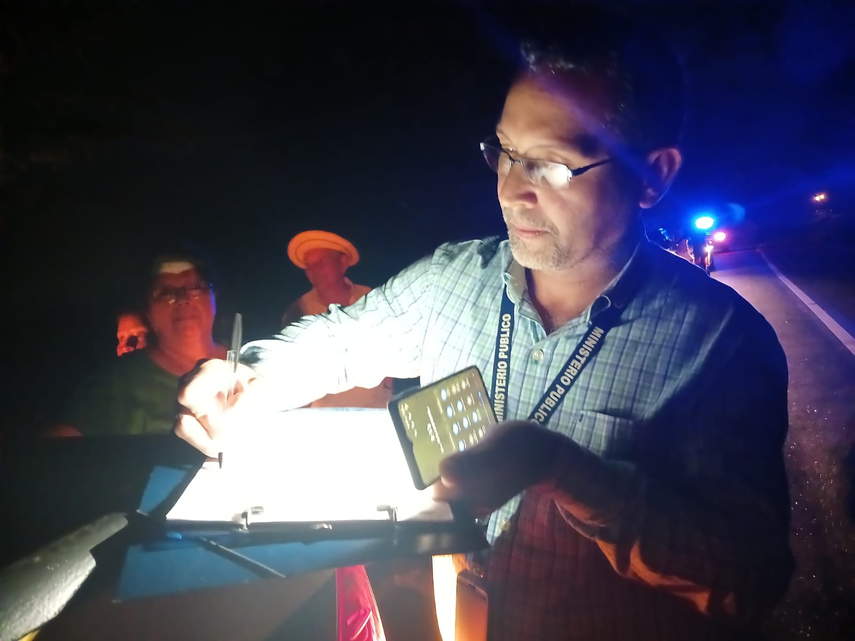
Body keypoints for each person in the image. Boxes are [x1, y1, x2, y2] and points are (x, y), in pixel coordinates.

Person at [176, 8, 792, 640]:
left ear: (653, 175)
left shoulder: (722, 346)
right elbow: (339, 338)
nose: (510, 190)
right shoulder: (453, 278)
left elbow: (749, 579)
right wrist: (248, 376)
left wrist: (565, 471)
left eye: (551, 165)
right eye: (504, 152)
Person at [56, 250, 226, 436]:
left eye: (194, 287)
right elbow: (55, 451)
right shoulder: (117, 385)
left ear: (213, 297)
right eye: (164, 293)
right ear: (147, 311)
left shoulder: (255, 359)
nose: (182, 299)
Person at [282, 229, 393, 409]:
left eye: (320, 262)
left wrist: (388, 385)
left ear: (343, 263)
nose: (313, 271)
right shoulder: (298, 311)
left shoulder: (372, 298)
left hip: (375, 411)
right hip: (323, 418)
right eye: (309, 265)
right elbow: (291, 372)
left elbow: (393, 345)